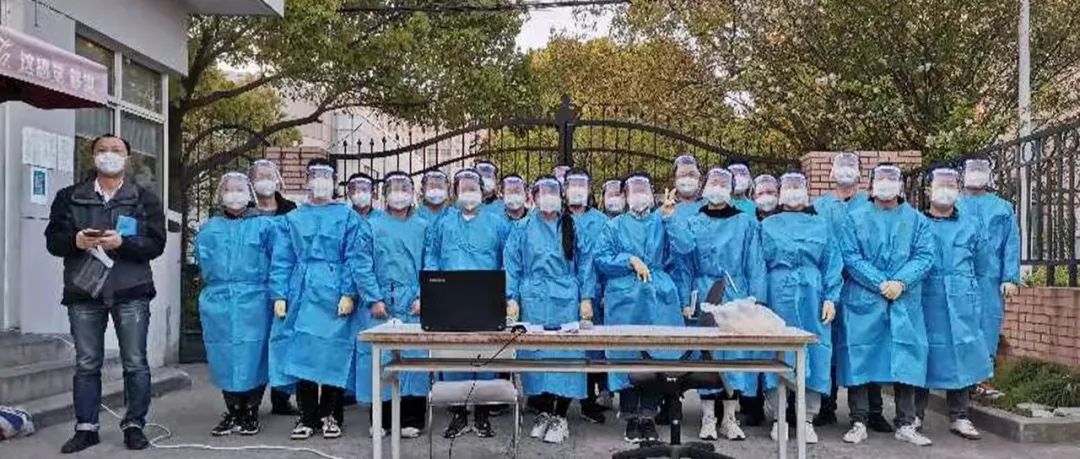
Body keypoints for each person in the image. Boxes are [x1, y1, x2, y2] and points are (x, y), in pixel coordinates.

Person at [45, 134, 166, 453]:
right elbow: (53, 240)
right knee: (87, 363)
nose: (108, 155)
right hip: (84, 291)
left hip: (131, 290)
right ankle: (86, 428)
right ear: (92, 156)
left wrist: (123, 243)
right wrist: (75, 241)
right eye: (102, 150)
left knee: (135, 362)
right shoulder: (69, 197)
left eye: (116, 150)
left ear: (128, 158)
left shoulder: (144, 198)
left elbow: (157, 244)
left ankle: (134, 425)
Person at [270, 160, 379, 440]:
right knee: (303, 353)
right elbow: (282, 258)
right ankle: (307, 416)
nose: (319, 182)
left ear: (334, 182)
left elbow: (355, 258)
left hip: (334, 292)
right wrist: (279, 294)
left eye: (325, 176)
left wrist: (349, 292)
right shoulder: (293, 218)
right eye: (314, 176)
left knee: (334, 352)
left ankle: (331, 414)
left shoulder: (347, 217)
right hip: (302, 290)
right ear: (307, 181)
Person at [837, 164, 934, 446]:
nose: (886, 184)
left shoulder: (917, 220)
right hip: (864, 299)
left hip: (903, 299)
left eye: (892, 179)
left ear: (901, 186)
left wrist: (901, 282)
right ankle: (859, 421)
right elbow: (850, 256)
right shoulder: (854, 218)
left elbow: (925, 256)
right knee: (860, 356)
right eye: (881, 179)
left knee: (906, 358)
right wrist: (880, 282)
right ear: (870, 185)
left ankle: (906, 423)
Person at [666, 167, 766, 441]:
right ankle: (708, 418)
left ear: (731, 189)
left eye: (724, 183)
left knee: (734, 355)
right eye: (714, 182)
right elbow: (684, 261)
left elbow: (755, 262)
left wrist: (756, 299)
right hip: (704, 293)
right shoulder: (694, 221)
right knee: (706, 356)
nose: (718, 187)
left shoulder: (746, 222)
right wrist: (686, 299)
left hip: (736, 293)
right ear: (705, 187)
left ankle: (730, 418)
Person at [504, 177, 596, 444]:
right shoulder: (522, 228)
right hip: (533, 299)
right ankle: (543, 411)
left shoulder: (572, 226)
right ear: (533, 197)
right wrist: (511, 297)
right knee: (536, 357)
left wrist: (586, 297)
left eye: (553, 192)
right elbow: (511, 263)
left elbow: (586, 263)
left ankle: (561, 416)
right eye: (543, 192)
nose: (548, 197)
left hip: (566, 298)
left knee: (566, 357)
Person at [424, 169, 512, 439]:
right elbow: (432, 257)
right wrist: (432, 289)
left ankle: (482, 416)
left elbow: (508, 260)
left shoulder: (497, 224)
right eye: (464, 189)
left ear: (483, 192)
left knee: (484, 357)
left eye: (474, 188)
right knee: (454, 357)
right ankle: (459, 414)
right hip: (451, 298)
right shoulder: (443, 223)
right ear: (455, 192)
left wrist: (507, 295)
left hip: (486, 298)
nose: (469, 194)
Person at [595, 173, 682, 444]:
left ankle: (649, 416)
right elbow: (601, 259)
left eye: (644, 189)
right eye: (634, 190)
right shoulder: (614, 226)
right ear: (624, 196)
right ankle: (631, 416)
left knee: (658, 354)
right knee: (625, 353)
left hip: (659, 293)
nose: (639, 195)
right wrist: (629, 260)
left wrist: (671, 219)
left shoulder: (662, 220)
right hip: (624, 298)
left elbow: (685, 248)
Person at [759, 173, 842, 445]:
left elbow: (832, 262)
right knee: (776, 351)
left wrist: (831, 297)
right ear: (780, 193)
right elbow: (757, 264)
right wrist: (759, 301)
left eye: (798, 187)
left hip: (812, 293)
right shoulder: (767, 225)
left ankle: (807, 419)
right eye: (789, 187)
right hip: (776, 292)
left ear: (807, 193)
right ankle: (779, 417)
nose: (793, 192)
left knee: (815, 352)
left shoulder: (821, 225)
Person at [194, 172, 277, 437]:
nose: (234, 194)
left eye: (240, 189)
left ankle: (251, 410)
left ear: (249, 194)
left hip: (256, 298)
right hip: (218, 299)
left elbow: (278, 262)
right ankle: (232, 410)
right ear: (221, 194)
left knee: (255, 354)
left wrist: (277, 296)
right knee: (223, 355)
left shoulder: (265, 226)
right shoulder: (209, 228)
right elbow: (201, 261)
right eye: (229, 189)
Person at [915, 167, 991, 440]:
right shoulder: (917, 223)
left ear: (958, 190)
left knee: (962, 353)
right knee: (923, 353)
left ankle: (960, 416)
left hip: (961, 301)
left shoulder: (971, 225)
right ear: (928, 191)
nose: (945, 190)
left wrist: (966, 288)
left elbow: (982, 264)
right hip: (926, 298)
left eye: (951, 185)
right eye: (940, 185)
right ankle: (914, 416)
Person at [811, 152, 886, 430]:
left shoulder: (871, 206)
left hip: (863, 288)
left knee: (867, 347)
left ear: (860, 174)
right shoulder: (818, 207)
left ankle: (873, 411)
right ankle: (826, 407)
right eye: (840, 167)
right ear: (831, 173)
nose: (845, 171)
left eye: (851, 167)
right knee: (827, 348)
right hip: (828, 287)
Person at [354, 172, 431, 439]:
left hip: (413, 304)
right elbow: (361, 264)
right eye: (393, 189)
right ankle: (381, 419)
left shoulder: (422, 227)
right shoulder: (371, 226)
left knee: (415, 360)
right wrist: (373, 298)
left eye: (404, 189)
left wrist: (423, 296)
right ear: (384, 195)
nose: (399, 195)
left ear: (412, 194)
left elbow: (430, 263)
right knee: (380, 361)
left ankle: (412, 418)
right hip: (381, 304)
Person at [956, 158, 1020, 379]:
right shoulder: (954, 206)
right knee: (960, 324)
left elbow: (1011, 243)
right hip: (959, 277)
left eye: (980, 170)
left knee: (988, 324)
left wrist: (1010, 277)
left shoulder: (1002, 208)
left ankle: (983, 379)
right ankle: (960, 380)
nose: (975, 174)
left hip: (990, 280)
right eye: (971, 170)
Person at [248, 159, 300, 417]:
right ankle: (252, 400)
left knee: (284, 340)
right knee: (255, 344)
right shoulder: (244, 211)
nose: (265, 181)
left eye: (269, 176)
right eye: (259, 176)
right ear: (250, 181)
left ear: (278, 180)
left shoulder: (291, 210)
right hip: (253, 287)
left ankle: (281, 397)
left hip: (285, 284)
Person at [564, 169, 611, 424]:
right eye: (572, 185)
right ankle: (555, 402)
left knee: (593, 348)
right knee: (567, 349)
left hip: (594, 293)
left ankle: (589, 400)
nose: (576, 190)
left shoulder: (601, 221)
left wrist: (596, 293)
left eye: (581, 185)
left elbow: (602, 258)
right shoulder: (557, 220)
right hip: (563, 293)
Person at [672, 155, 706, 220]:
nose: (687, 178)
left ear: (700, 180)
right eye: (682, 175)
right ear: (674, 181)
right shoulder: (665, 207)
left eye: (692, 174)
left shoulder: (709, 206)